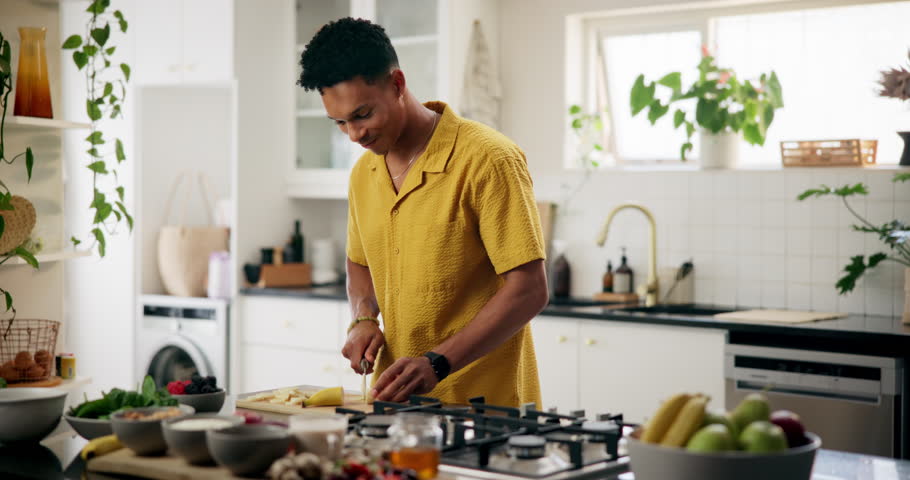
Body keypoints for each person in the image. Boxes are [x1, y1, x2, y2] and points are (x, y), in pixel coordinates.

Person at [297, 17, 549, 407]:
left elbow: (529, 290)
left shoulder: (488, 158)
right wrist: (363, 317)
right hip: (397, 406)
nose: (354, 135)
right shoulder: (363, 173)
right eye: (340, 123)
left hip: (485, 410)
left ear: (397, 84)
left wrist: (438, 363)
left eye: (362, 115)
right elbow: (359, 263)